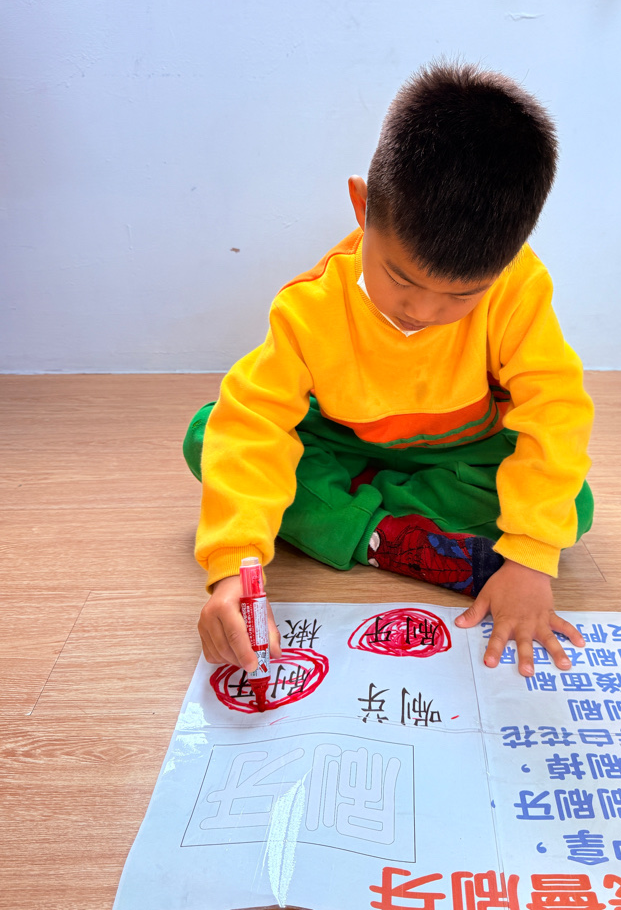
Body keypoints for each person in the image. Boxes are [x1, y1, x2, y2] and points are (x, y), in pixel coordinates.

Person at [184, 61, 594, 678]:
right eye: (400, 278)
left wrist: (531, 560)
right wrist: (233, 569)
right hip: (350, 441)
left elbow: (554, 411)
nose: (423, 312)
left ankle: (358, 522)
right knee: (209, 433)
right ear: (362, 205)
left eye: (462, 296)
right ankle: (390, 534)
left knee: (573, 505)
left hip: (462, 453)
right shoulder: (310, 306)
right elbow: (254, 422)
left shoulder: (519, 288)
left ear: (507, 260)